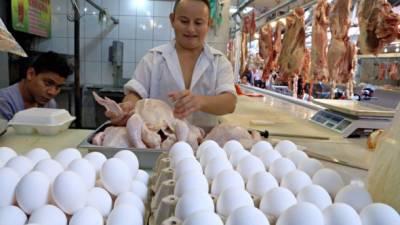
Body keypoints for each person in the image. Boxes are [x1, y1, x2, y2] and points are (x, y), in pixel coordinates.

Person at [107, 0, 237, 127]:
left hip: (204, 143)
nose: (191, 29)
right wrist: (128, 105)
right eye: (184, 21)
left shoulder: (219, 61)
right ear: (172, 20)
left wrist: (201, 101)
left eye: (198, 23)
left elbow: (229, 102)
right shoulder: (153, 58)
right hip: (159, 141)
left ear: (208, 24)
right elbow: (135, 93)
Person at [0, 51, 72, 121]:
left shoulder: (50, 104)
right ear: (30, 74)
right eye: (48, 83)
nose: (52, 92)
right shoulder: (4, 102)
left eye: (58, 87)